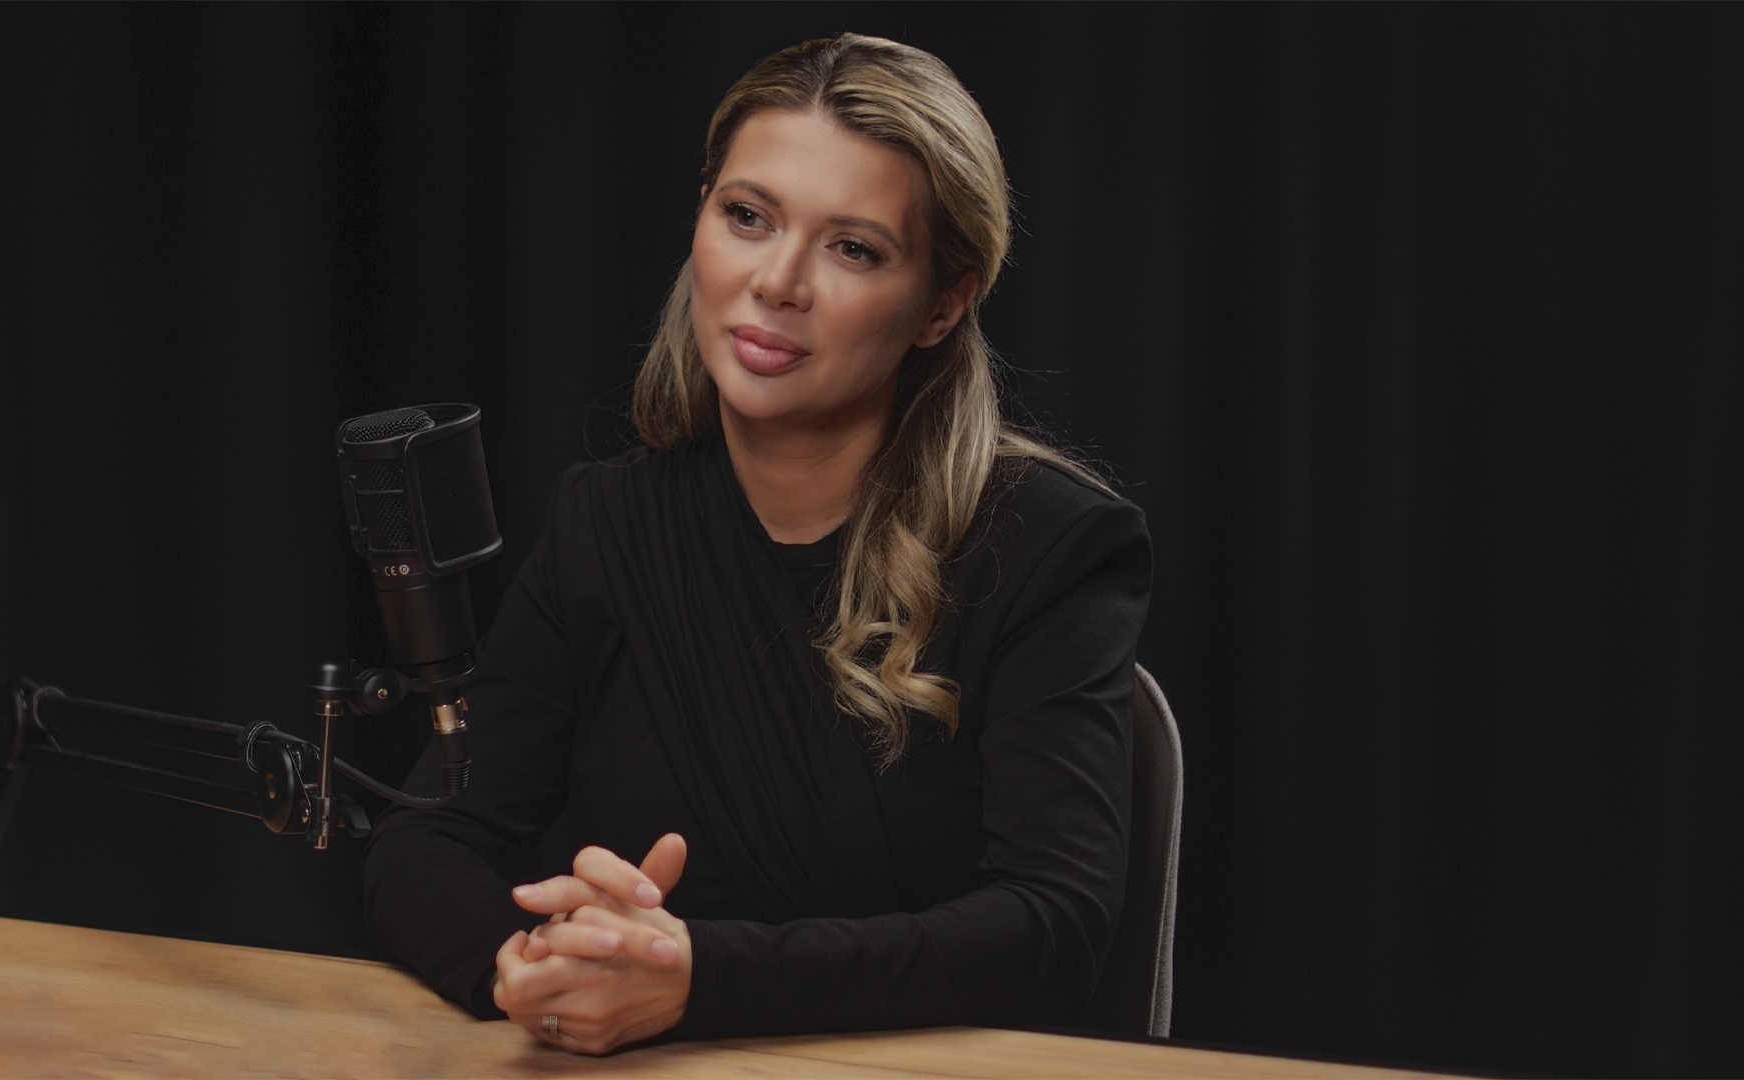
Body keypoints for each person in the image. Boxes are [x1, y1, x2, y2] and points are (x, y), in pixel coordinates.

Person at [362, 33, 1152, 1055]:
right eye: (748, 216)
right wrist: (534, 969)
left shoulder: (1052, 547)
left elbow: (1055, 924)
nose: (777, 281)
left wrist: (698, 981)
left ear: (942, 305)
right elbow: (429, 837)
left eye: (853, 248)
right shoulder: (609, 524)